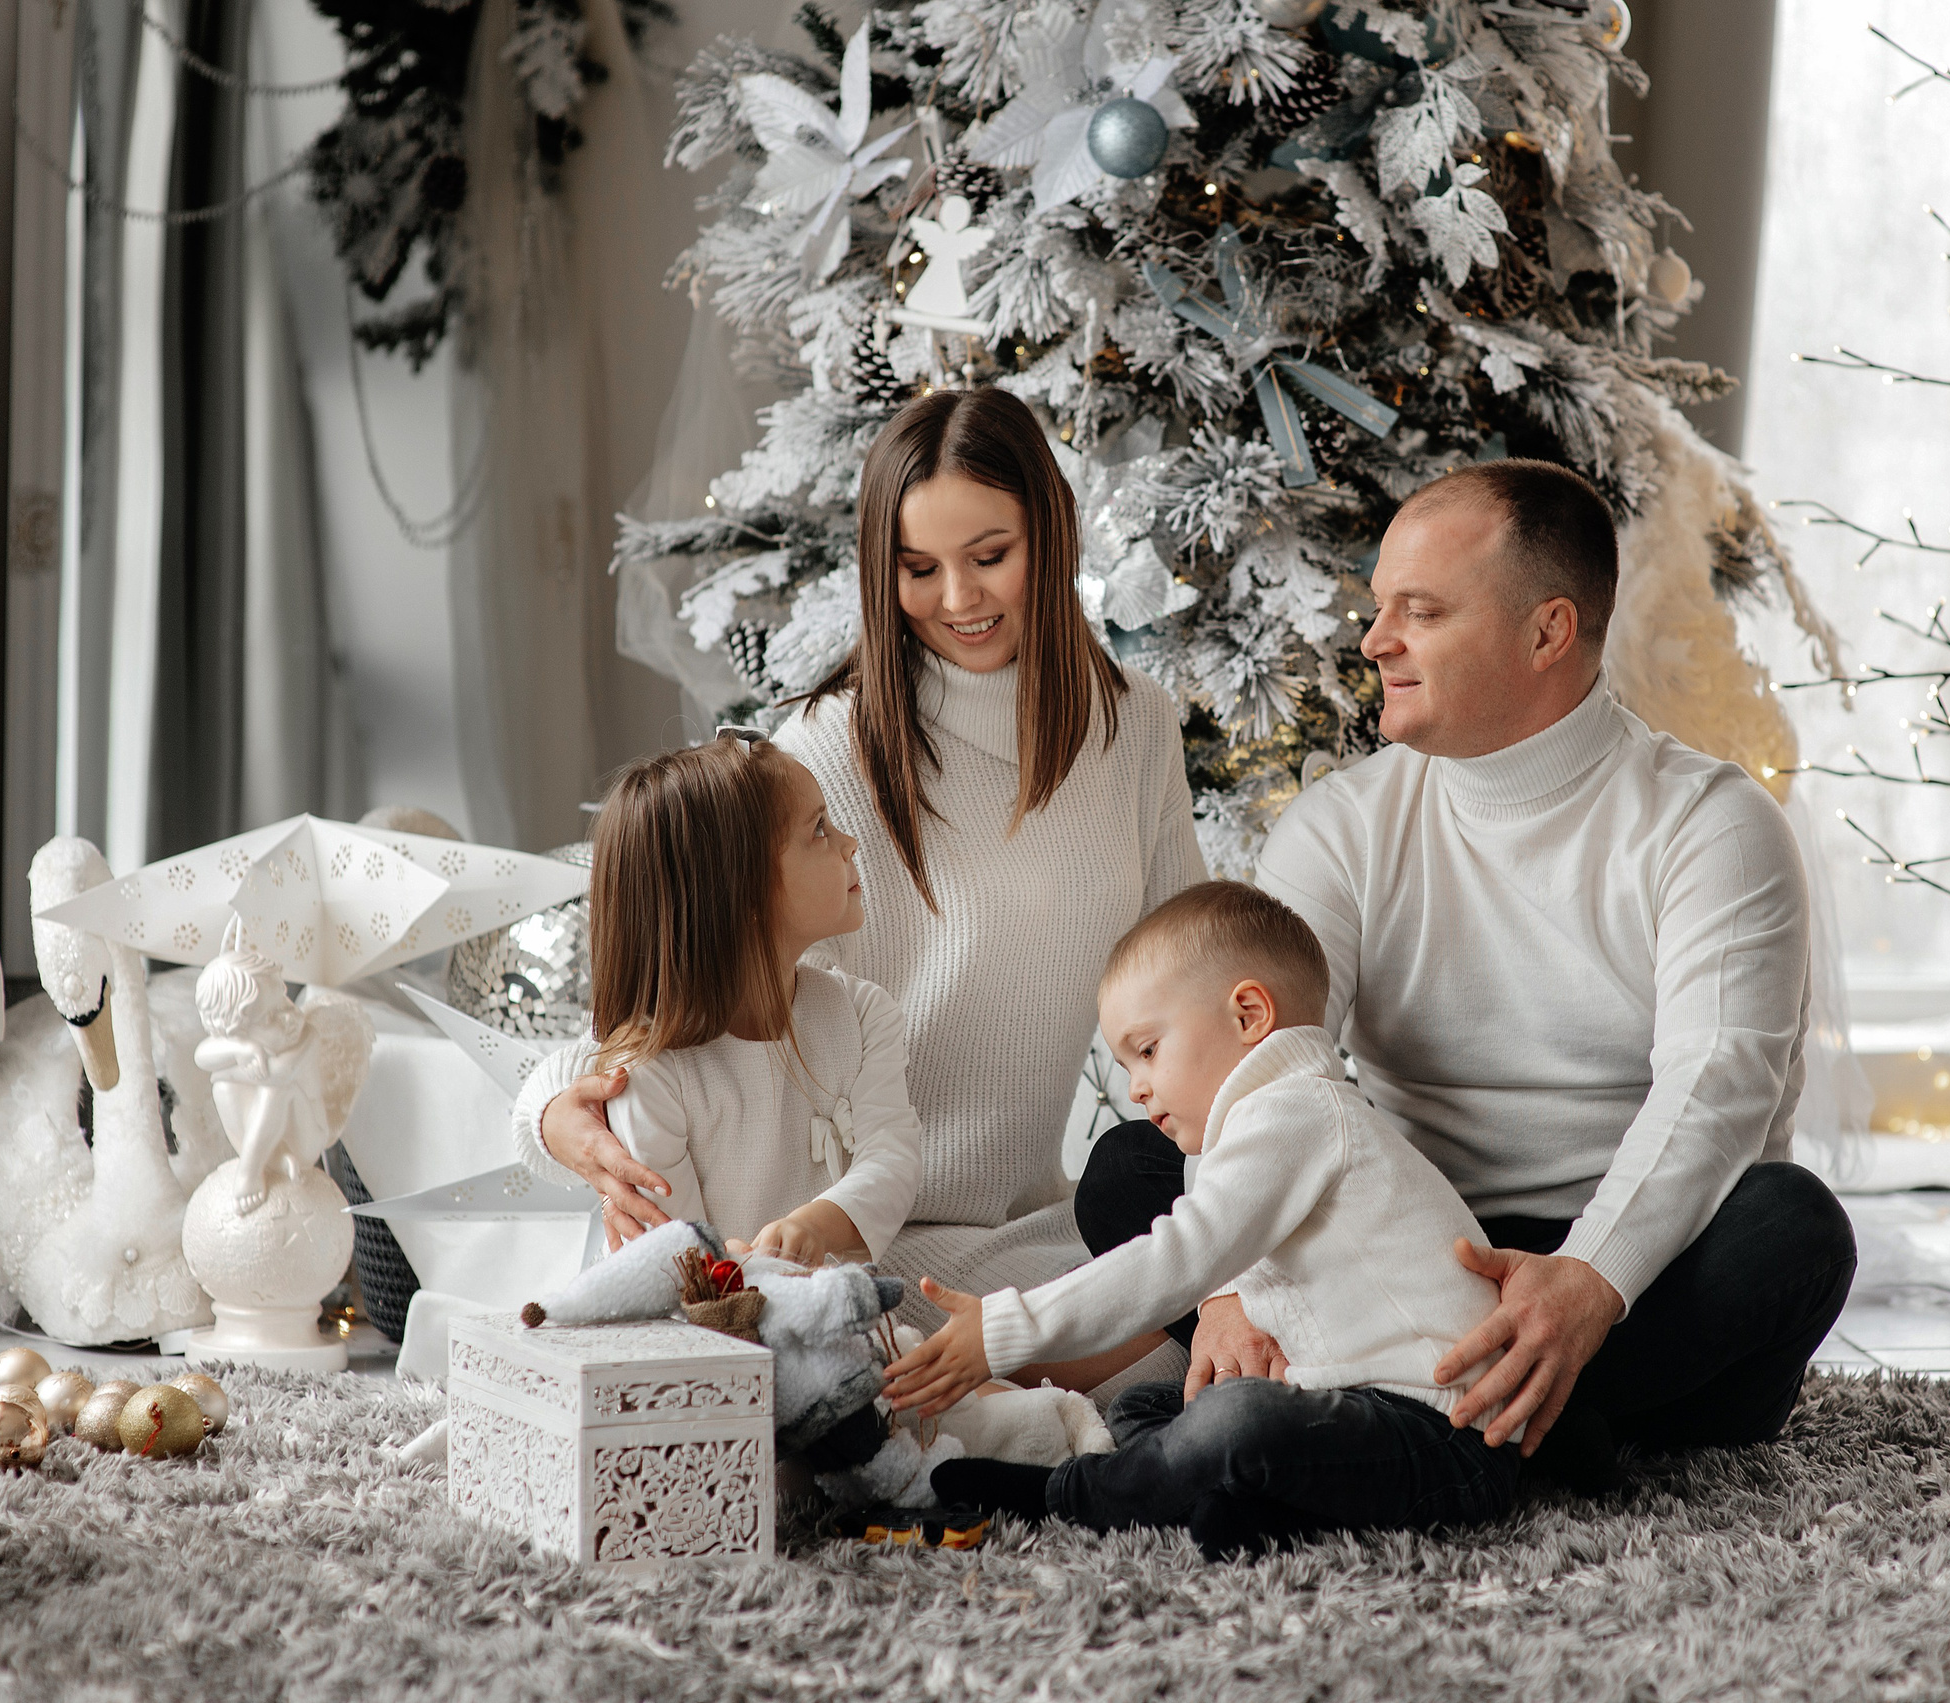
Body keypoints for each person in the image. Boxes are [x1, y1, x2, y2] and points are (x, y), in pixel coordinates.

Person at [1074, 459, 1858, 1478]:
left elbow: (1717, 1093)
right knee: (1128, 1172)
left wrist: (1584, 1281)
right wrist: (1225, 1290)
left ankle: (1421, 1422)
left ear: (1547, 631)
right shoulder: (1341, 828)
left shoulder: (1711, 825)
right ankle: (1536, 1435)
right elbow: (1253, 1070)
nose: (1374, 639)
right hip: (1406, 1251)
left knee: (1791, 1224)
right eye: (1376, 606)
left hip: (1629, 1271)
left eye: (1421, 611)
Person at [519, 388, 1204, 1386]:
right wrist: (553, 1114)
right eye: (917, 568)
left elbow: (1197, 986)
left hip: (1031, 1226)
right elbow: (685, 995)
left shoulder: (1134, 726)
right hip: (847, 1242)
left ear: (1051, 533)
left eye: (990, 555)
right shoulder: (822, 757)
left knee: (1257, 1307)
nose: (957, 598)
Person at [885, 882, 1539, 1559]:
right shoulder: (1268, 1127)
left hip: (1444, 1442)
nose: (1136, 1086)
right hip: (1344, 1411)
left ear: (1249, 1014)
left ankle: (1076, 1492)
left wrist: (1002, 1330)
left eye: (1147, 1049)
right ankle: (1232, 1506)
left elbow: (1177, 1256)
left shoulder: (1299, 1114)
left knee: (1237, 1417)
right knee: (1145, 1408)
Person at [508, 732, 924, 1269]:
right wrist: (754, 1268)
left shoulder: (863, 1016)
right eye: (819, 829)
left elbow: (892, 1160)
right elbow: (677, 1259)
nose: (850, 843)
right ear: (741, 892)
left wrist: (816, 1226)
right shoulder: (650, 1076)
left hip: (829, 1312)